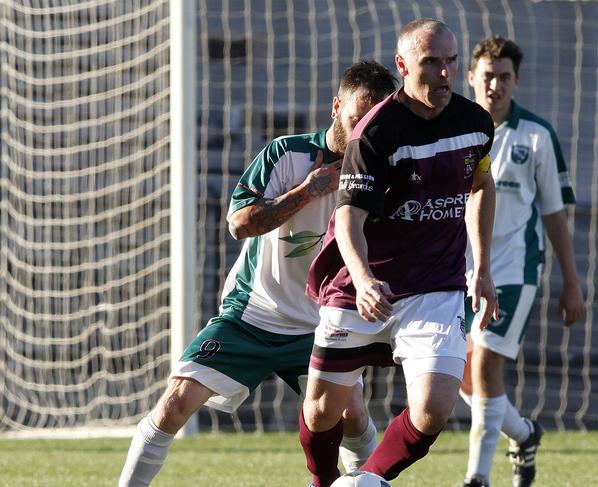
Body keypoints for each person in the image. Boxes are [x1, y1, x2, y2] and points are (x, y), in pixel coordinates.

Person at [118, 60, 396, 487]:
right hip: (252, 314)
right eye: (357, 120)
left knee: (353, 416)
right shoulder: (288, 153)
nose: (364, 133)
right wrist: (309, 189)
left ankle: (367, 482)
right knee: (175, 403)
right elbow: (240, 224)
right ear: (336, 107)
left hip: (321, 322)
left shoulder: (381, 172)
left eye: (374, 125)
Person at [299, 19, 499, 487]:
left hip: (436, 283)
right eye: (432, 62)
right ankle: (323, 483)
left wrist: (482, 270)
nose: (444, 73)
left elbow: (481, 185)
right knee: (323, 409)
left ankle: (364, 482)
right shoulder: (376, 132)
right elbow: (348, 218)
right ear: (404, 65)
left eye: (451, 62)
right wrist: (365, 279)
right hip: (366, 284)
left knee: (432, 410)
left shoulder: (475, 123)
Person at [459, 36, 585, 487]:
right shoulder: (451, 132)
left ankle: (478, 477)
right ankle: (524, 433)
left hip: (514, 272)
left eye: (504, 77)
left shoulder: (536, 135)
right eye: (487, 76)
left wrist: (572, 280)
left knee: (486, 365)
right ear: (471, 77)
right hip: (456, 275)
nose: (495, 85)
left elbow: (554, 213)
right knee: (461, 375)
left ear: (516, 80)